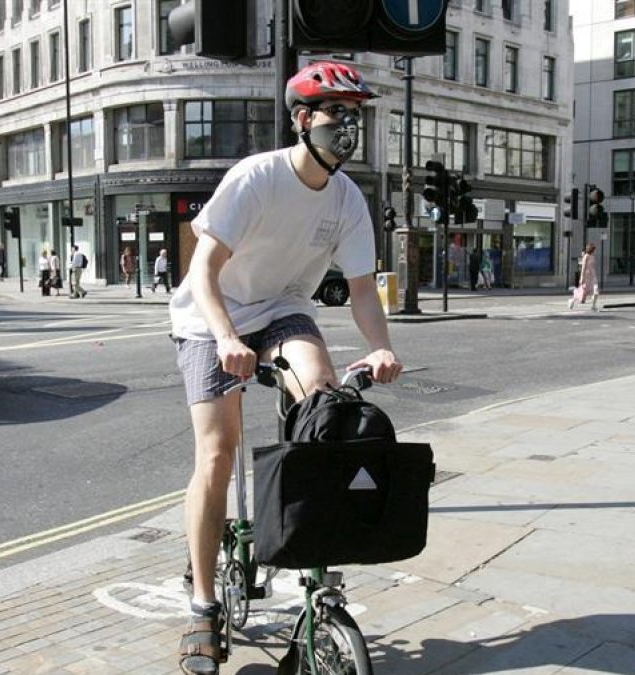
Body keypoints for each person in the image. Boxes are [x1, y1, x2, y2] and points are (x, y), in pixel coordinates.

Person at [167, 61, 402, 675]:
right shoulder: (258, 178)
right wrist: (224, 337)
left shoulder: (349, 199)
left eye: (357, 115)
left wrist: (380, 346)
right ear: (303, 120)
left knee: (322, 403)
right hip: (209, 318)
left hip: (281, 312)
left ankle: (311, 564)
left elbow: (359, 290)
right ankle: (202, 604)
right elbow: (203, 271)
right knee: (218, 454)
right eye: (337, 115)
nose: (349, 128)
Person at [568, 243, 599, 310]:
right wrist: (582, 278)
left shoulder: (592, 256)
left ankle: (593, 306)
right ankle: (572, 301)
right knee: (582, 293)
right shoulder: (586, 256)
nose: (594, 251)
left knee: (596, 291)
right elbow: (583, 267)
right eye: (593, 249)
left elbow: (593, 266)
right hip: (586, 276)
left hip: (593, 276)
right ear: (591, 249)